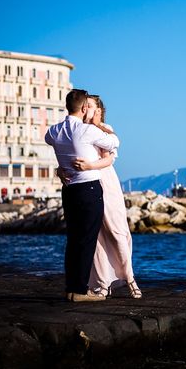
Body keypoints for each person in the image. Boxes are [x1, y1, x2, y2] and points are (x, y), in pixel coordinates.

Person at [45, 89, 119, 302]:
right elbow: (114, 142)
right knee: (87, 241)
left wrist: (63, 165)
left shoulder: (55, 131)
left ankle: (71, 288)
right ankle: (79, 291)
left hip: (69, 191)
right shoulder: (87, 131)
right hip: (89, 189)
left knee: (73, 240)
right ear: (85, 108)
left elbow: (49, 138)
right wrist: (98, 124)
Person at [71, 94, 142, 299]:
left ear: (99, 110)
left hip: (106, 182)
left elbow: (109, 159)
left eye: (90, 106)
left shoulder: (105, 130)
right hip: (86, 181)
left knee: (117, 231)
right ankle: (103, 283)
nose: (86, 109)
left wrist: (90, 165)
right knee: (96, 236)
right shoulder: (79, 131)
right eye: (85, 106)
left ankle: (130, 278)